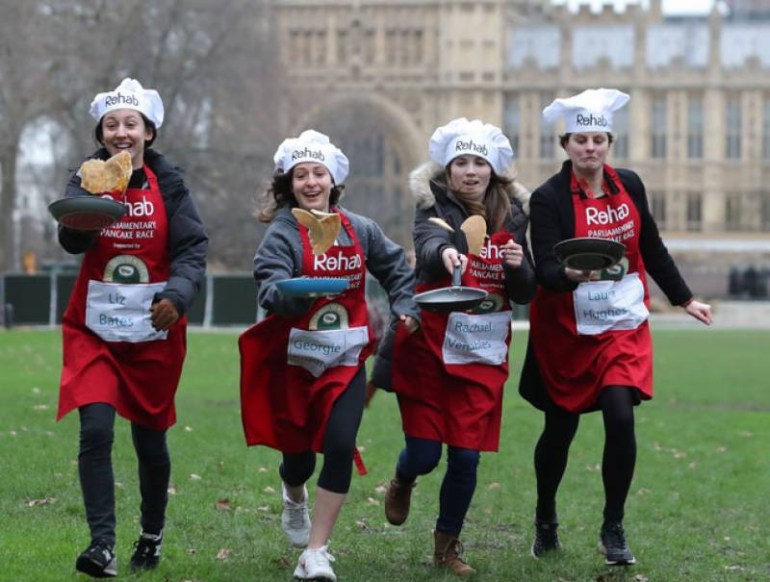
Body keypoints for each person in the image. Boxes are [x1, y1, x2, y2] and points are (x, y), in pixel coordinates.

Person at [519, 88, 713, 567]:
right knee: (559, 430)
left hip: (621, 323)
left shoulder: (630, 184)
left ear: (609, 142)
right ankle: (546, 518)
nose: (590, 147)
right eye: (580, 139)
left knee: (621, 416)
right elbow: (543, 267)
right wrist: (569, 274)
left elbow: (650, 244)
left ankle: (613, 526)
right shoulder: (546, 199)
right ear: (565, 144)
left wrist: (684, 297)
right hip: (566, 328)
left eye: (598, 139)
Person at [239, 130, 420, 582]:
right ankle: (293, 492)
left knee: (339, 445)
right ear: (290, 184)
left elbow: (398, 271)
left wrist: (407, 308)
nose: (311, 181)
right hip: (294, 364)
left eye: (318, 173)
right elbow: (270, 284)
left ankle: (316, 553)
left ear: (333, 180)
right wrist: (295, 295)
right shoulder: (283, 232)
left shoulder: (359, 228)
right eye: (301, 175)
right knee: (299, 458)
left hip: (345, 360)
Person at [56, 78, 208, 578]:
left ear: (149, 132)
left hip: (153, 329)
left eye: (131, 124)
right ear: (101, 134)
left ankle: (151, 532)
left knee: (149, 439)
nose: (121, 133)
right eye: (112, 125)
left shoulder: (171, 185)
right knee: (95, 429)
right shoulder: (86, 176)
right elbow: (71, 244)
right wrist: (83, 217)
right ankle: (102, 546)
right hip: (95, 329)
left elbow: (192, 249)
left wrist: (178, 296)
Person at [380, 117, 536, 576]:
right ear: (448, 171)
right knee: (427, 455)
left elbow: (526, 292)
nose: (470, 171)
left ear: (493, 170)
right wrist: (444, 253)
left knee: (466, 455)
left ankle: (446, 547)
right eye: (461, 163)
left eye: (479, 163)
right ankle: (404, 476)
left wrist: (517, 264)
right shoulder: (432, 206)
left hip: (482, 353)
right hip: (428, 347)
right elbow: (427, 244)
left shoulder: (516, 216)